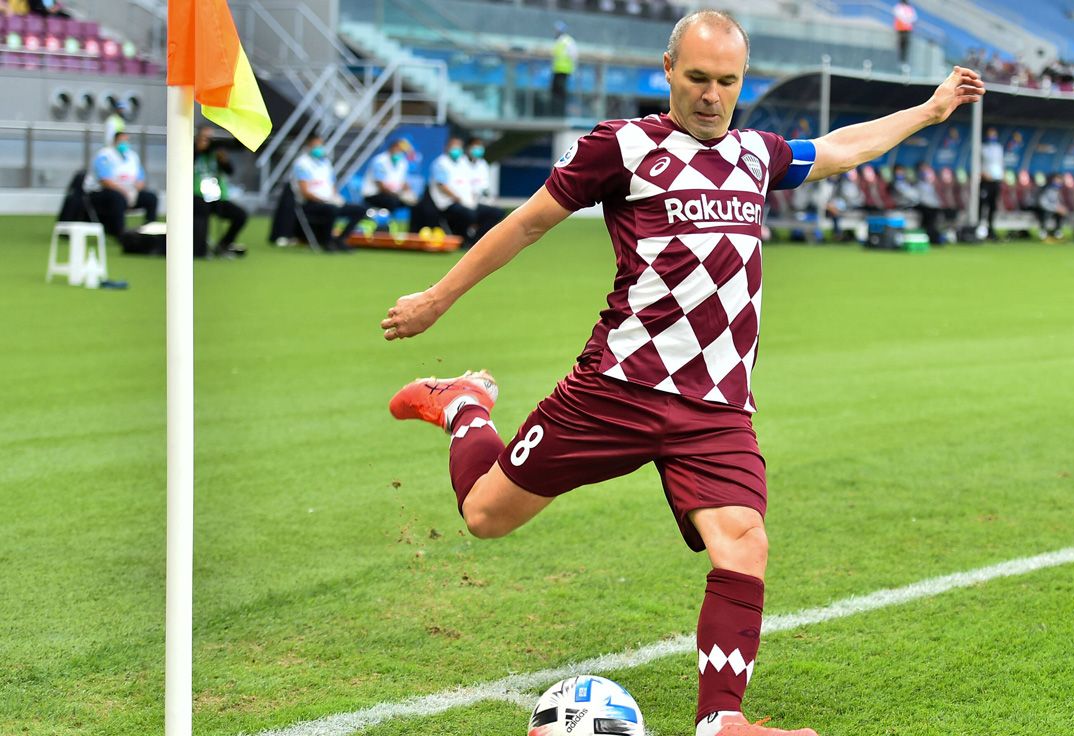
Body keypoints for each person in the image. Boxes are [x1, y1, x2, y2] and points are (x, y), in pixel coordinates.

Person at [380, 11, 983, 736]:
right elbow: (530, 222)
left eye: (727, 82)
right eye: (697, 78)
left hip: (717, 406)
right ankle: (465, 405)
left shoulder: (757, 155)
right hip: (616, 388)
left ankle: (721, 720)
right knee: (485, 515)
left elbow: (841, 148)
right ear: (668, 70)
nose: (710, 95)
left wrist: (931, 108)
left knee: (744, 540)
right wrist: (436, 297)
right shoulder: (624, 146)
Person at [292, 134, 367, 252]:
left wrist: (335, 197)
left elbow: (331, 186)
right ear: (308, 146)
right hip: (310, 203)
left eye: (320, 145)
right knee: (331, 209)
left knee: (360, 210)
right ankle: (327, 242)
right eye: (315, 145)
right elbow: (305, 191)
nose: (319, 147)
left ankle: (341, 240)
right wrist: (325, 200)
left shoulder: (325, 163)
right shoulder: (302, 164)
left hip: (329, 202)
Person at [88, 130, 158, 239]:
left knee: (151, 197)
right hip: (105, 192)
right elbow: (105, 180)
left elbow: (141, 179)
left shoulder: (132, 156)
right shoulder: (105, 155)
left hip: (130, 192)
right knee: (117, 198)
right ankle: (121, 233)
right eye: (122, 141)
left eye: (126, 141)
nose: (124, 144)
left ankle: (149, 231)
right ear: (115, 141)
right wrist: (123, 192)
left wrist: (134, 191)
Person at [193, 125, 248, 258]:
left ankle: (224, 244)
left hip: (218, 197)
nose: (210, 142)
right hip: (197, 195)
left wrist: (223, 159)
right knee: (201, 214)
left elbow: (230, 171)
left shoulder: (217, 153)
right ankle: (199, 250)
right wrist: (198, 150)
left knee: (240, 215)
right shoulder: (190, 151)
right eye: (206, 138)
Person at [421, 136, 478, 244]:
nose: (456, 149)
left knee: (493, 213)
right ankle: (463, 240)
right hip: (448, 202)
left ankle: (478, 240)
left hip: (468, 201)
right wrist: (458, 198)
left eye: (459, 146)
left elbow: (470, 184)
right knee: (468, 214)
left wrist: (472, 199)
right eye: (454, 146)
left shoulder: (464, 163)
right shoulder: (441, 163)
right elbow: (442, 185)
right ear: (446, 148)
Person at [362, 138, 418, 215]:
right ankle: (385, 224)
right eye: (399, 149)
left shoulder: (402, 162)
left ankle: (414, 226)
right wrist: (398, 195)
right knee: (392, 201)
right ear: (393, 147)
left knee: (415, 203)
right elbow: (381, 186)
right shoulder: (380, 161)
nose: (400, 152)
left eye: (402, 151)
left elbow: (404, 182)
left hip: (394, 194)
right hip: (374, 194)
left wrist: (409, 193)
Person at [466, 138, 506, 245]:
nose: (478, 149)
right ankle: (467, 238)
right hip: (464, 200)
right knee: (469, 214)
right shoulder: (462, 163)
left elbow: (484, 187)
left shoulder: (482, 164)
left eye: (481, 146)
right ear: (468, 147)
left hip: (478, 201)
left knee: (498, 212)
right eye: (475, 146)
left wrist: (490, 199)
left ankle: (478, 238)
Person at [979, 126, 1004, 240]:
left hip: (996, 180)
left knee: (993, 206)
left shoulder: (999, 148)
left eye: (994, 134)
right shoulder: (981, 148)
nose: (992, 137)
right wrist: (982, 173)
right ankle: (979, 227)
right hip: (985, 181)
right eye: (990, 134)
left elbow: (1000, 163)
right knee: (983, 204)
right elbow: (976, 163)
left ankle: (991, 229)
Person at [550, 21, 578, 117]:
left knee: (561, 94)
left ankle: (560, 113)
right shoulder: (559, 41)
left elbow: (573, 55)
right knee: (555, 92)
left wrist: (573, 68)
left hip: (564, 70)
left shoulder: (567, 41)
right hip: (557, 70)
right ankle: (555, 112)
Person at [1034, 172, 1067, 241]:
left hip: (1051, 209)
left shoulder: (1057, 190)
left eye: (1060, 180)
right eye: (1057, 180)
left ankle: (1057, 233)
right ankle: (1043, 233)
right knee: (1046, 213)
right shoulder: (1045, 188)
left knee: (1061, 214)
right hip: (1040, 208)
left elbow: (1056, 202)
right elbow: (1042, 203)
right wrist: (1055, 208)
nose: (1059, 182)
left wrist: (1060, 208)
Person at [892, 0, 916, 69]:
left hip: (907, 30)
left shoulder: (910, 8)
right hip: (900, 29)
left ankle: (904, 62)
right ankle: (898, 61)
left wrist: (907, 20)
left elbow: (913, 17)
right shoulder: (898, 7)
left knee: (906, 46)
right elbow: (898, 14)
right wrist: (906, 20)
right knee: (899, 45)